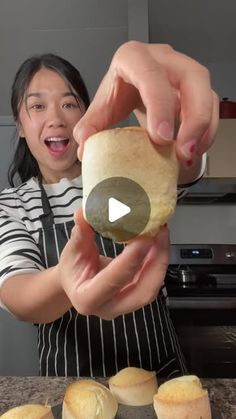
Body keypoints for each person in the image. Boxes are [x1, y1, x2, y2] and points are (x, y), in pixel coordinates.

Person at [0, 41, 218, 378]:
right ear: (19, 125)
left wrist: (177, 127)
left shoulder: (124, 170)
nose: (56, 118)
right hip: (72, 386)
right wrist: (68, 276)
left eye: (68, 103)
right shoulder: (12, 205)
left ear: (87, 115)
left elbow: (181, 170)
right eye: (38, 106)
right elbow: (18, 295)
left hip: (160, 375)